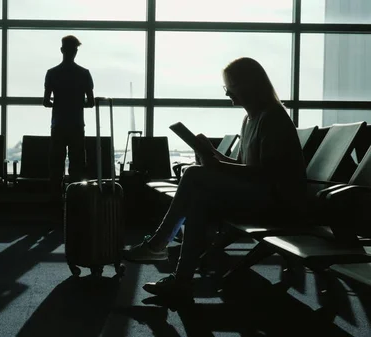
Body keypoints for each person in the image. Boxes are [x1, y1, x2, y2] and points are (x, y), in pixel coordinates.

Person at [124, 57, 307, 303]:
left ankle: (158, 245)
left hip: (276, 205)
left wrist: (216, 166)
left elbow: (267, 174)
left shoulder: (272, 117)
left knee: (193, 175)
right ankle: (181, 280)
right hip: (260, 197)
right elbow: (245, 166)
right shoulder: (251, 118)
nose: (227, 93)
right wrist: (212, 154)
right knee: (199, 199)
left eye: (231, 86)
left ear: (248, 85)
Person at [43, 35, 95, 204]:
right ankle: (75, 201)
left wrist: (58, 102)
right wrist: (77, 102)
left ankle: (55, 202)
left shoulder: (52, 73)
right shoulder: (84, 74)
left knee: (56, 166)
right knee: (77, 165)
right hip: (76, 125)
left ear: (62, 50)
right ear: (75, 52)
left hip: (58, 124)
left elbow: (45, 102)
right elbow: (91, 103)